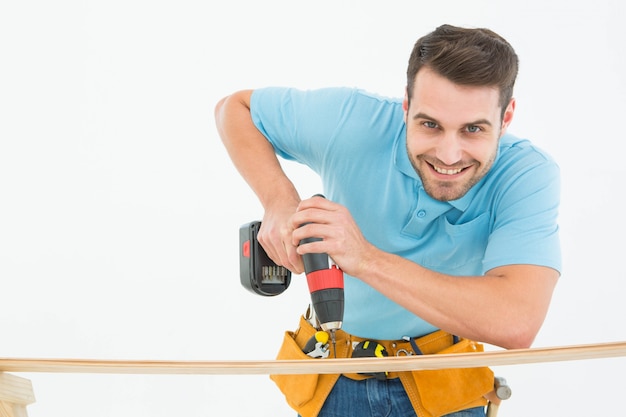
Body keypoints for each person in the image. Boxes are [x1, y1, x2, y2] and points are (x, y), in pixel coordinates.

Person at [215, 24, 561, 417]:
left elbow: (516, 322)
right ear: (406, 106)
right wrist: (278, 201)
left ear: (507, 116)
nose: (449, 155)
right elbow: (235, 109)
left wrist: (364, 258)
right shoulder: (350, 120)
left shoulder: (527, 174)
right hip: (333, 375)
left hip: (441, 380)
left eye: (473, 130)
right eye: (430, 124)